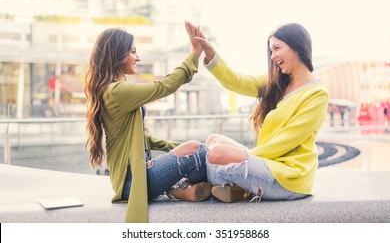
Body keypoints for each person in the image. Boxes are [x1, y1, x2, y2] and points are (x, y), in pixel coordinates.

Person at [84, 21, 211, 223]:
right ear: (117, 54)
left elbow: (144, 141)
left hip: (134, 178)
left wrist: (177, 148)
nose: (138, 57)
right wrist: (195, 52)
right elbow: (165, 86)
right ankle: (194, 187)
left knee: (203, 148)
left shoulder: (113, 90)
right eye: (133, 51)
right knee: (200, 154)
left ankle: (178, 191)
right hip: (134, 183)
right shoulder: (116, 91)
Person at [193, 23, 329, 203]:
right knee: (213, 140)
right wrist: (210, 53)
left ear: (296, 46)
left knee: (217, 154)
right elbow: (236, 82)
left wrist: (244, 158)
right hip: (266, 161)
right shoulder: (276, 83)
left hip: (288, 176)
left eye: (277, 48)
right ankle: (233, 188)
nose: (272, 56)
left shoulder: (316, 94)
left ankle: (206, 186)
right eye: (271, 51)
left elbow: (286, 141)